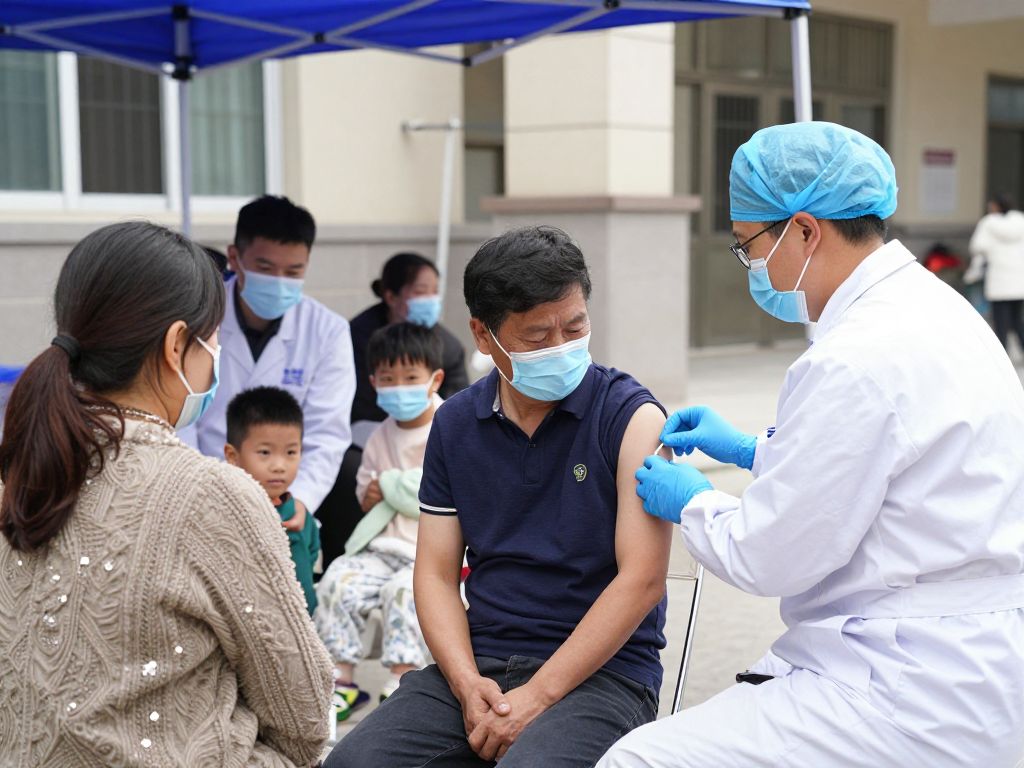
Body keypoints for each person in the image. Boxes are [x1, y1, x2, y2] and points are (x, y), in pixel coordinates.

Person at [599, 122, 1024, 767]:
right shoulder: (933, 309)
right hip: (975, 656)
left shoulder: (856, 356)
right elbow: (893, 459)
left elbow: (772, 556)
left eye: (749, 247)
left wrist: (694, 503)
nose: (751, 267)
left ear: (802, 230)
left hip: (912, 678)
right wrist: (755, 450)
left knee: (638, 761)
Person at [326, 226, 674, 768]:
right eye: (536, 337)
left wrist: (537, 696)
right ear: (483, 335)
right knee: (353, 762)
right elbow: (436, 574)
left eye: (575, 327)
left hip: (606, 675)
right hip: (480, 663)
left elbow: (643, 579)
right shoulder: (455, 424)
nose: (560, 347)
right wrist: (467, 686)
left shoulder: (632, 418)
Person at [0, 221, 332, 767]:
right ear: (179, 345)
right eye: (215, 341)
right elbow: (303, 718)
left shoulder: (24, 473)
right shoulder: (212, 492)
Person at [180, 195, 355, 555]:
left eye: (293, 272)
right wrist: (202, 494)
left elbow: (327, 431)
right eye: (265, 267)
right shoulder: (197, 319)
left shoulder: (327, 331)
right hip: (203, 486)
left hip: (284, 493)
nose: (279, 281)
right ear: (234, 258)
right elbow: (181, 416)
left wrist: (298, 499)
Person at [314, 322, 444, 720]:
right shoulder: (380, 434)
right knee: (337, 579)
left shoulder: (449, 425)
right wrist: (380, 492)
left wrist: (388, 486)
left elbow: (431, 491)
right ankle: (343, 680)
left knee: (404, 593)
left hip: (434, 553)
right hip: (383, 548)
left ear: (434, 378)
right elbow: (364, 491)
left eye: (410, 377)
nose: (399, 386)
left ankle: (402, 681)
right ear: (373, 383)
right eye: (389, 379)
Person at [317, 252, 469, 568]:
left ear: (434, 379)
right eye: (419, 291)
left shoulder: (449, 348)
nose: (429, 300)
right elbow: (347, 406)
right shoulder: (358, 336)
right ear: (391, 295)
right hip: (364, 431)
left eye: (433, 291)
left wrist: (389, 485)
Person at [225, 386, 320, 616]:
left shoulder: (299, 514)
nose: (279, 465)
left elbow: (312, 555)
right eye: (265, 453)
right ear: (232, 457)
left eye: (290, 453)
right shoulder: (228, 513)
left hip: (304, 623)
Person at [964, 194, 1024, 354]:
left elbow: (978, 246)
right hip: (1019, 281)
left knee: (1001, 321)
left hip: (1000, 281)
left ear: (996, 206)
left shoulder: (988, 223)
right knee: (1018, 319)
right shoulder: (1020, 221)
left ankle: (1003, 353)